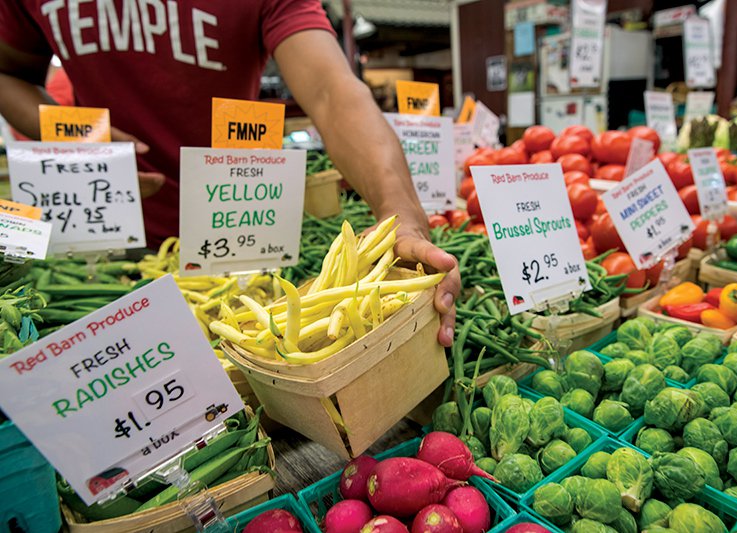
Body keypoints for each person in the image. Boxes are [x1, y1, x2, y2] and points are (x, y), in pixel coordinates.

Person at [0, 0, 459, 346]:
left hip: (239, 234)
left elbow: (331, 90)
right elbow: (8, 71)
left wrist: (400, 215)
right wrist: (83, 137)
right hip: (106, 242)